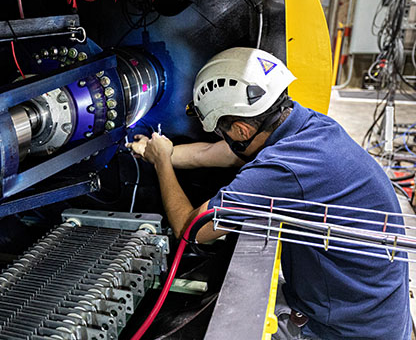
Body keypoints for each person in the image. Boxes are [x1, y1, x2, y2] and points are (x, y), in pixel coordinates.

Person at [126, 47, 411, 340]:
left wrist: (162, 165)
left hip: (349, 332)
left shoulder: (285, 169)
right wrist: (157, 150)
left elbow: (191, 229)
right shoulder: (306, 126)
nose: (223, 139)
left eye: (223, 131)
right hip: (371, 311)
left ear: (240, 129)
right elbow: (218, 153)